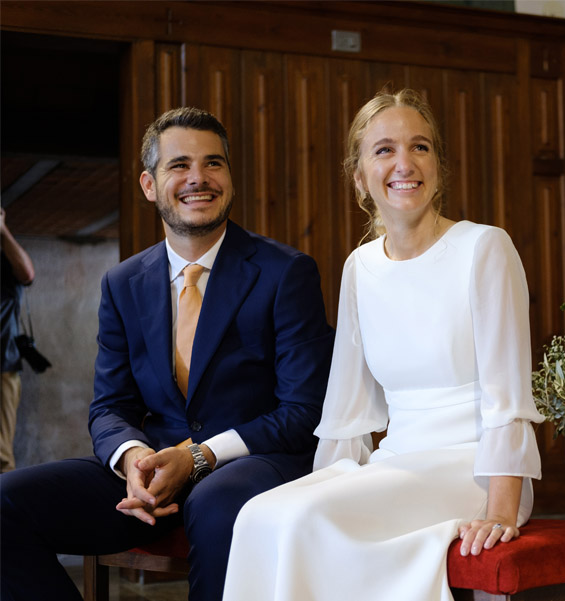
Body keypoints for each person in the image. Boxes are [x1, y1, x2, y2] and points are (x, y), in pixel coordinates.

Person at [0, 107, 334, 601]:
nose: (198, 178)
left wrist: (198, 457)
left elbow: (304, 411)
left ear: (230, 178)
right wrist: (133, 458)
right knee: (5, 503)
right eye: (179, 165)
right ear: (149, 184)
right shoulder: (122, 282)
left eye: (213, 163)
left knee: (217, 502)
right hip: (153, 470)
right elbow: (110, 406)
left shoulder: (286, 271)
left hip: (255, 461)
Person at [223, 88, 544, 601]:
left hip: (474, 468)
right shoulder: (359, 268)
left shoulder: (484, 247)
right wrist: (327, 483)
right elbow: (347, 411)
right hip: (396, 463)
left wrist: (502, 508)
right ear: (359, 176)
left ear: (438, 164)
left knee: (306, 518)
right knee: (261, 515)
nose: (405, 163)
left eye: (420, 147)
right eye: (384, 149)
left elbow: (507, 396)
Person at [0, 208, 36, 473]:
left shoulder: (6, 261)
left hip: (3, 365)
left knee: (0, 453)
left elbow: (27, 274)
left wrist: (3, 231)